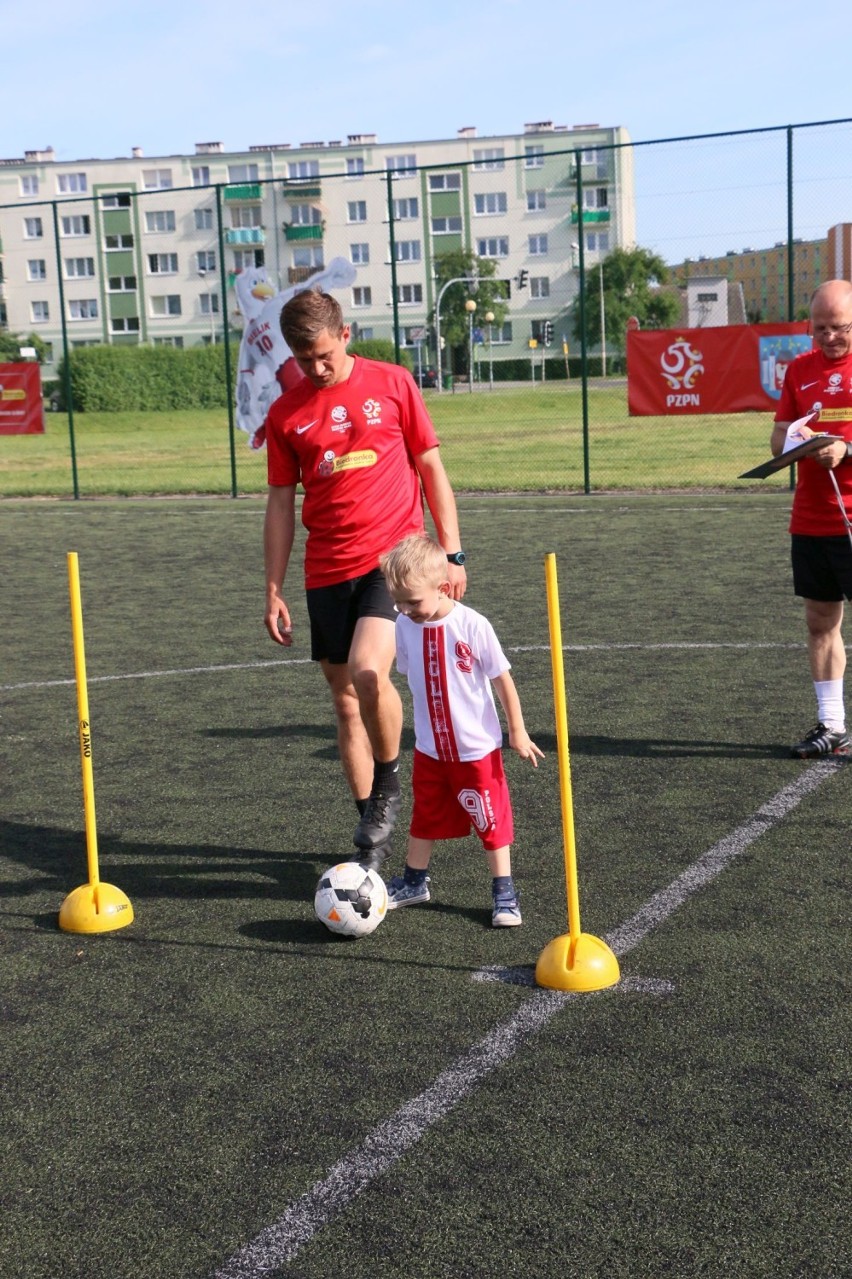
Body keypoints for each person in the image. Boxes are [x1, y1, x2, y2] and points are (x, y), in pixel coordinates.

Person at [262, 290, 467, 867]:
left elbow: (430, 466)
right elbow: (280, 504)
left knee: (368, 671)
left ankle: (390, 784)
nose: (317, 368)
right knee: (345, 700)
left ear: (345, 335)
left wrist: (451, 553)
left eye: (324, 355)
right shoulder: (286, 414)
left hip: (393, 561)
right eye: (305, 361)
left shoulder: (394, 383)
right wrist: (273, 588)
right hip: (325, 568)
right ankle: (370, 840)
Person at [379, 534, 544, 926]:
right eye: (397, 601)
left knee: (490, 819)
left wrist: (516, 731)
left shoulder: (473, 625)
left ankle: (504, 891)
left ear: (443, 587)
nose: (404, 609)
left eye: (413, 601)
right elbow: (409, 673)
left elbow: (502, 680)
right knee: (426, 814)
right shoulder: (404, 625)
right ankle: (414, 881)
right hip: (430, 749)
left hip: (475, 751)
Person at [771, 278, 852, 758]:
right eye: (820, 328)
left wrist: (846, 449)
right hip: (813, 518)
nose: (828, 337)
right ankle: (832, 724)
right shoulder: (798, 371)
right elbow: (778, 440)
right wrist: (799, 440)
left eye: (838, 328)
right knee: (820, 620)